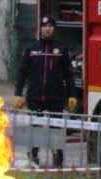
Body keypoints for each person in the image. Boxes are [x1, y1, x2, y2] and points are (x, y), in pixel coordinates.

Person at [14, 15, 76, 168]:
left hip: (55, 97)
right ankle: (34, 156)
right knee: (35, 127)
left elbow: (69, 74)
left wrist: (72, 95)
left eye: (50, 26)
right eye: (44, 26)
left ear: (54, 29)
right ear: (40, 29)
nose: (47, 29)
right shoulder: (31, 49)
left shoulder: (62, 49)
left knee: (56, 127)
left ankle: (58, 157)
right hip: (35, 96)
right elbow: (22, 72)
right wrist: (18, 94)